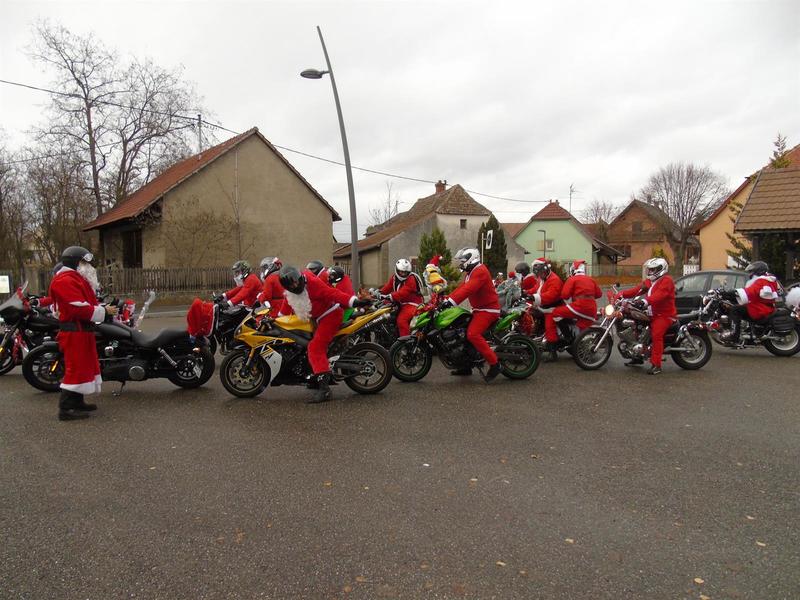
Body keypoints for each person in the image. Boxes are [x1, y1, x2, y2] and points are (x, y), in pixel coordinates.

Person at [279, 265, 371, 403]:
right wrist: (275, 320)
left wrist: (355, 301)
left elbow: (333, 293)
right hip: (316, 318)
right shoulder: (291, 291)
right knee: (302, 343)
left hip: (330, 315)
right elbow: (287, 304)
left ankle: (324, 389)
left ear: (299, 277)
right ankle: (314, 376)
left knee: (315, 348)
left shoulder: (313, 283)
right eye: (291, 285)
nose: (295, 285)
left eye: (296, 281)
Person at [49, 246, 118, 421]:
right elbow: (75, 307)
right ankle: (65, 409)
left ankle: (77, 402)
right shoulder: (65, 280)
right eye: (84, 262)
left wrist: (102, 309)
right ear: (76, 262)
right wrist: (103, 311)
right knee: (75, 369)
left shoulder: (74, 278)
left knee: (83, 367)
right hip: (75, 332)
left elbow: (85, 303)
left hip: (81, 331)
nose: (89, 266)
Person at [441, 247, 501, 381]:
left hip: (488, 310)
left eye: (463, 261)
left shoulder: (480, 271)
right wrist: (446, 299)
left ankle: (495, 364)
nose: (461, 264)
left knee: (472, 334)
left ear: (471, 259)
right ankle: (465, 366)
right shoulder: (471, 272)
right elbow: (462, 288)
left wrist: (451, 301)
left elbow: (468, 289)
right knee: (461, 332)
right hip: (479, 309)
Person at [618, 257, 676, 375]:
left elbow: (660, 295)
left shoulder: (667, 280)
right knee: (636, 329)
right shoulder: (650, 281)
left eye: (653, 270)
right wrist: (621, 294)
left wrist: (645, 301)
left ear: (661, 269)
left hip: (664, 315)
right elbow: (637, 290)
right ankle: (637, 356)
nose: (650, 272)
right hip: (651, 313)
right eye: (649, 270)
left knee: (656, 335)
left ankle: (656, 365)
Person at [543, 260, 602, 361]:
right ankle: (583, 350)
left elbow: (565, 296)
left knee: (554, 313)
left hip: (580, 306)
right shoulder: (590, 279)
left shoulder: (572, 279)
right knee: (582, 328)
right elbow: (599, 294)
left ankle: (564, 340)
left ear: (573, 270)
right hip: (592, 308)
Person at [719, 260, 779, 343]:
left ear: (758, 271)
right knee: (736, 306)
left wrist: (733, 292)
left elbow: (750, 292)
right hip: (762, 306)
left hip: (760, 308)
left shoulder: (762, 281)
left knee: (735, 309)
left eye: (752, 272)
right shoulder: (767, 280)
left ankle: (734, 335)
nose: (750, 274)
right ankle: (744, 329)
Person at [378, 258, 425, 336]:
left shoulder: (411, 279)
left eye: (405, 272)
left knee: (401, 320)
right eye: (401, 271)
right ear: (397, 270)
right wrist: (378, 293)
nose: (403, 274)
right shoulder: (394, 278)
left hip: (413, 304)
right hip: (401, 303)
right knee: (384, 310)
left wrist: (390, 296)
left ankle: (405, 343)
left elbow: (402, 293)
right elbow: (387, 287)